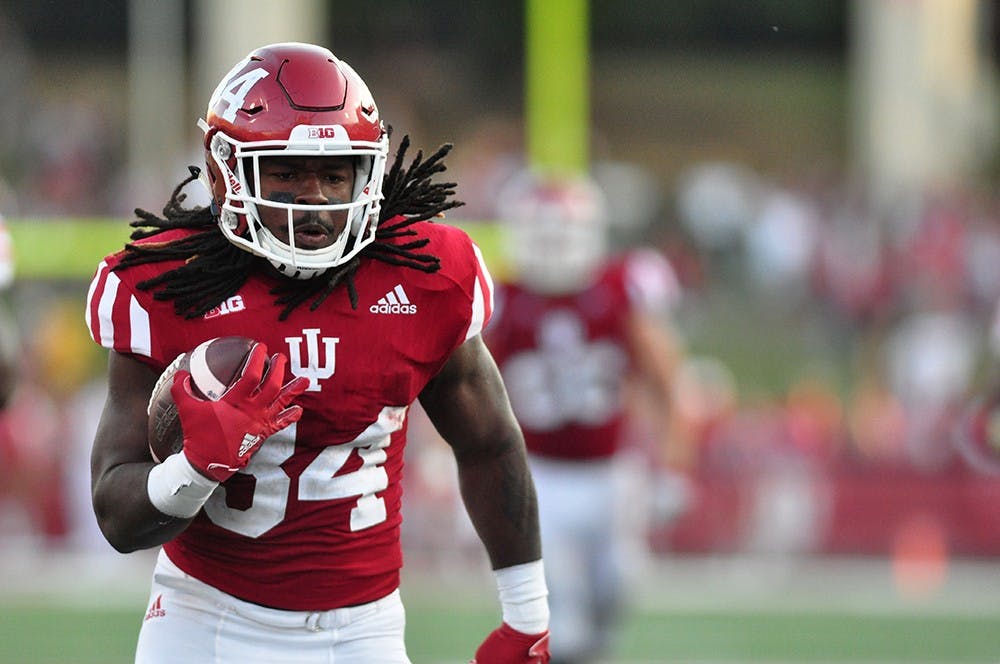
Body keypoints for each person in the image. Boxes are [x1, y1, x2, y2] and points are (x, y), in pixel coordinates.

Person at [85, 42, 549, 664]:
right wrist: (196, 468)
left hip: (366, 633)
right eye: (287, 171)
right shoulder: (167, 285)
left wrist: (527, 616)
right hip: (206, 621)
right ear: (227, 172)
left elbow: (489, 442)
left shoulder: (424, 274)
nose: (315, 200)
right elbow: (116, 514)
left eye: (335, 173)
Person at [483, 171, 685, 663]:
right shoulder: (504, 297)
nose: (552, 250)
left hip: (613, 472)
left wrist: (674, 466)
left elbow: (665, 378)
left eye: (563, 236)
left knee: (619, 584)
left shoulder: (620, 288)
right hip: (539, 477)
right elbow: (470, 392)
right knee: (561, 612)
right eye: (542, 236)